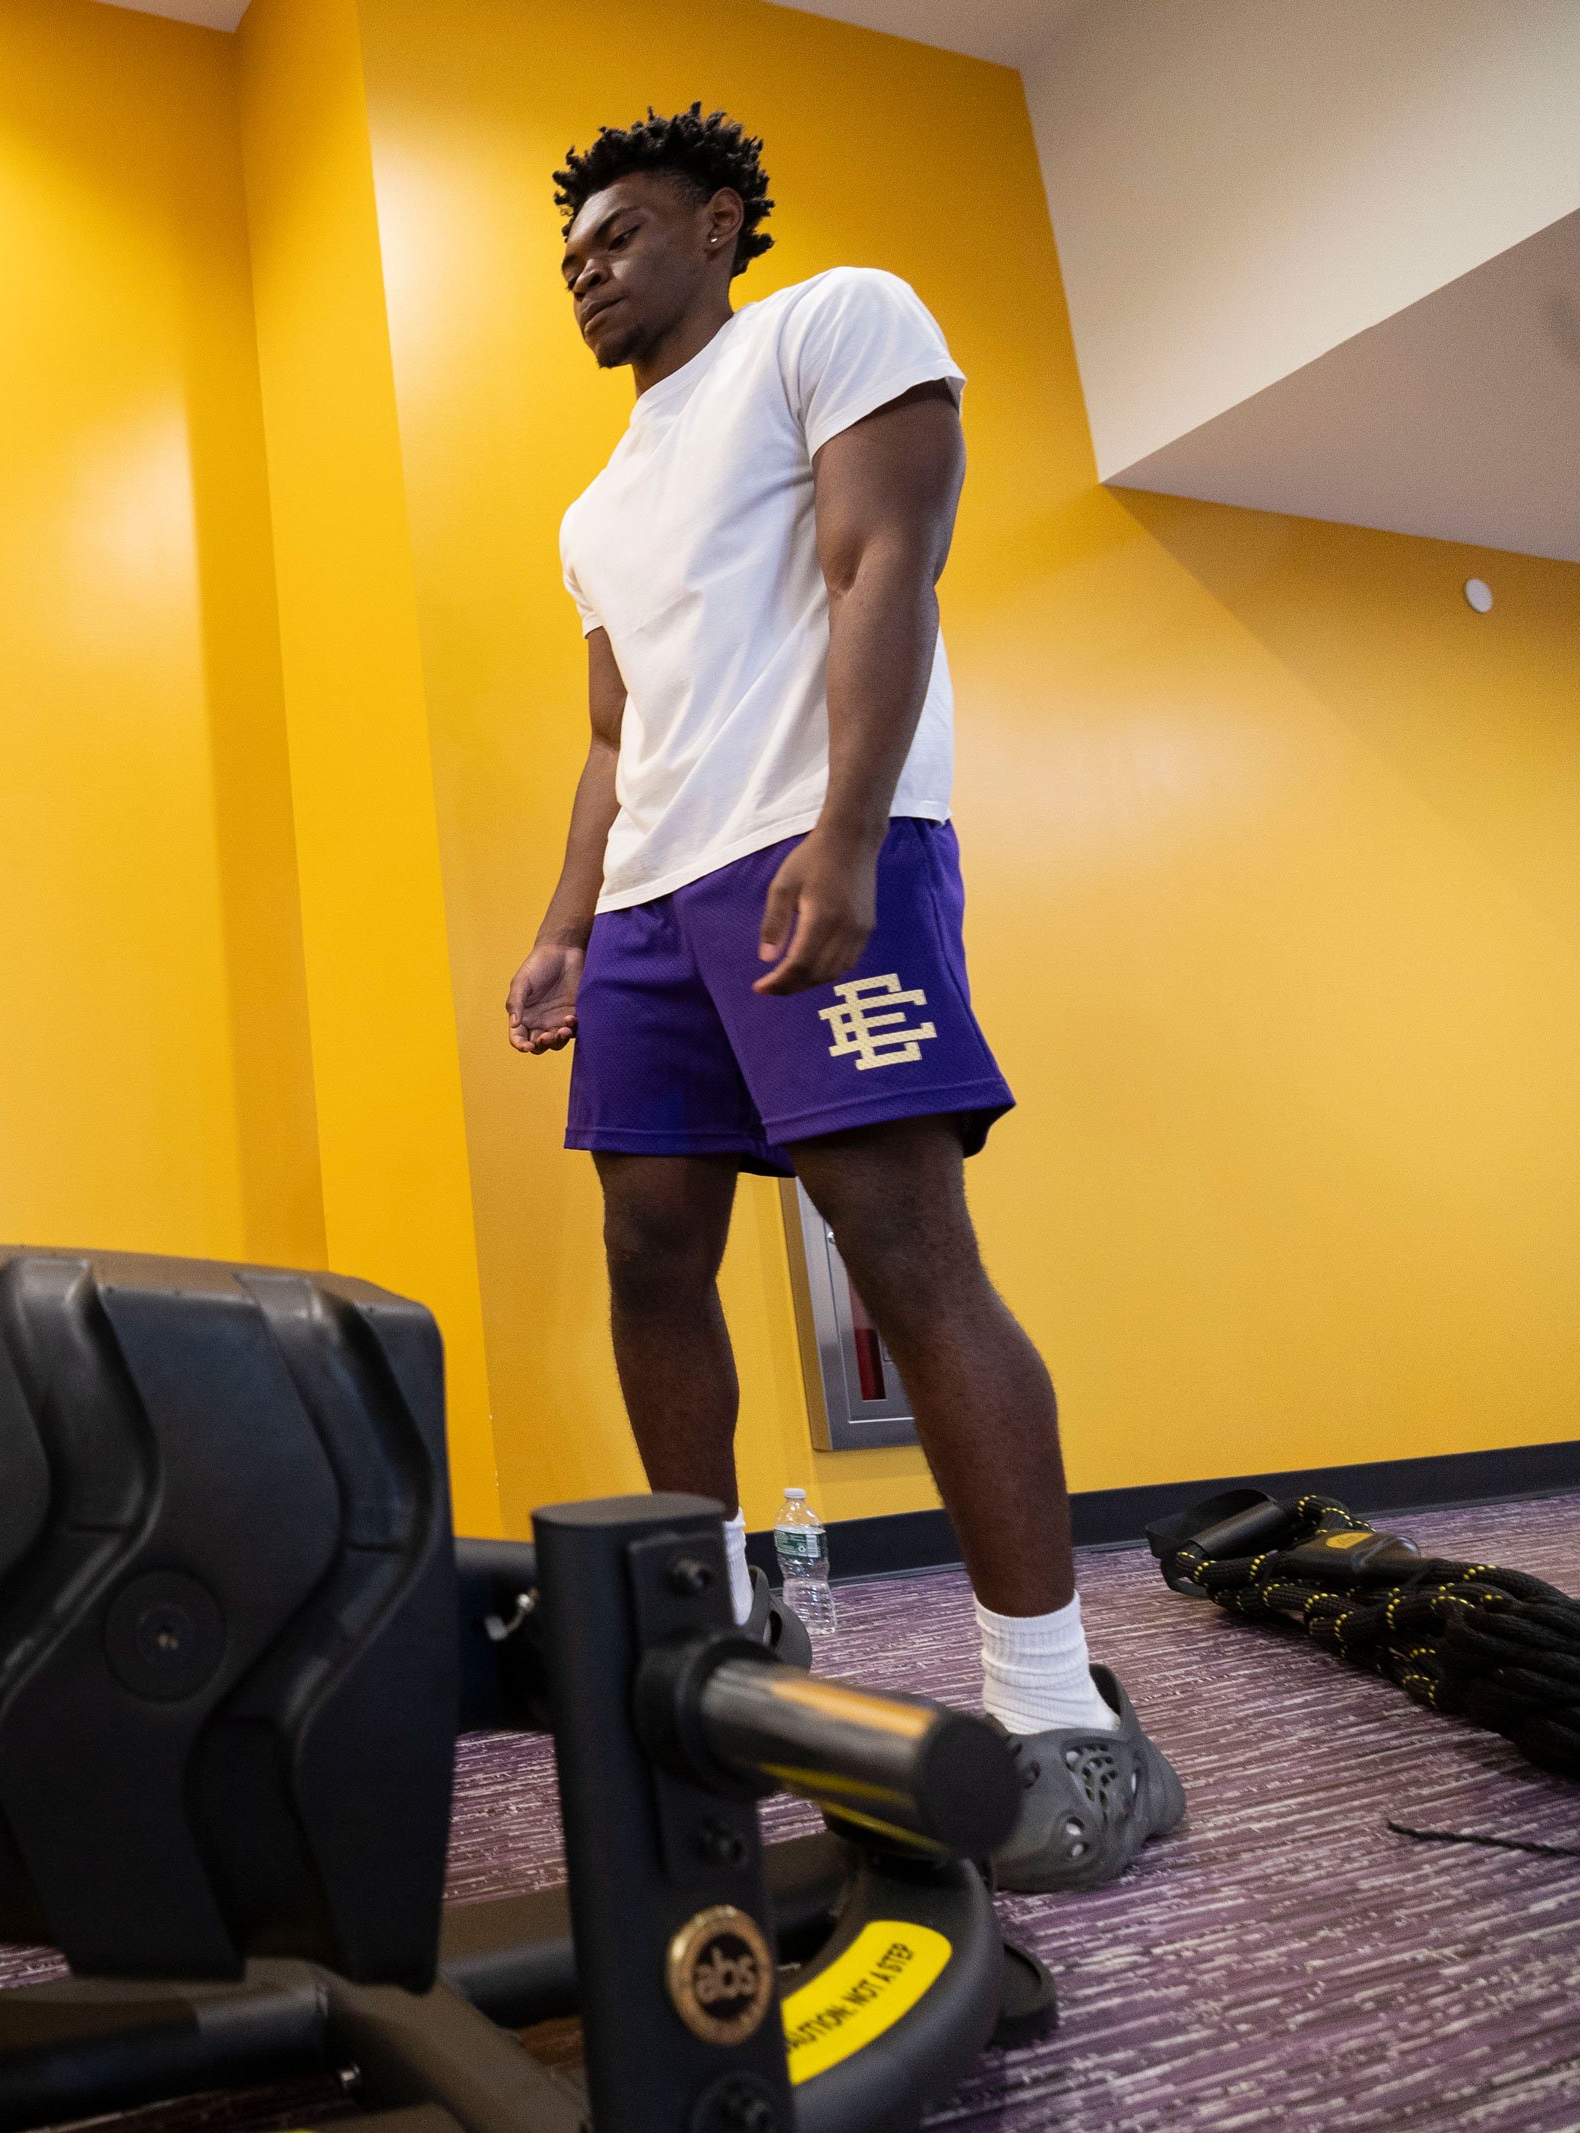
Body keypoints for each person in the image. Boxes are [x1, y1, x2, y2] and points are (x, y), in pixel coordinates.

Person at [500, 107, 1181, 1892]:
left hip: (812, 846)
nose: (589, 266)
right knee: (650, 1248)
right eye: (571, 253)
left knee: (903, 1247)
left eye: (622, 232)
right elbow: (608, 731)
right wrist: (569, 922)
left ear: (722, 225)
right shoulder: (591, 504)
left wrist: (852, 833)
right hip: (654, 898)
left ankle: (1055, 1712)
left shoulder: (834, 325)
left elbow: (892, 565)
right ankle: (715, 1632)